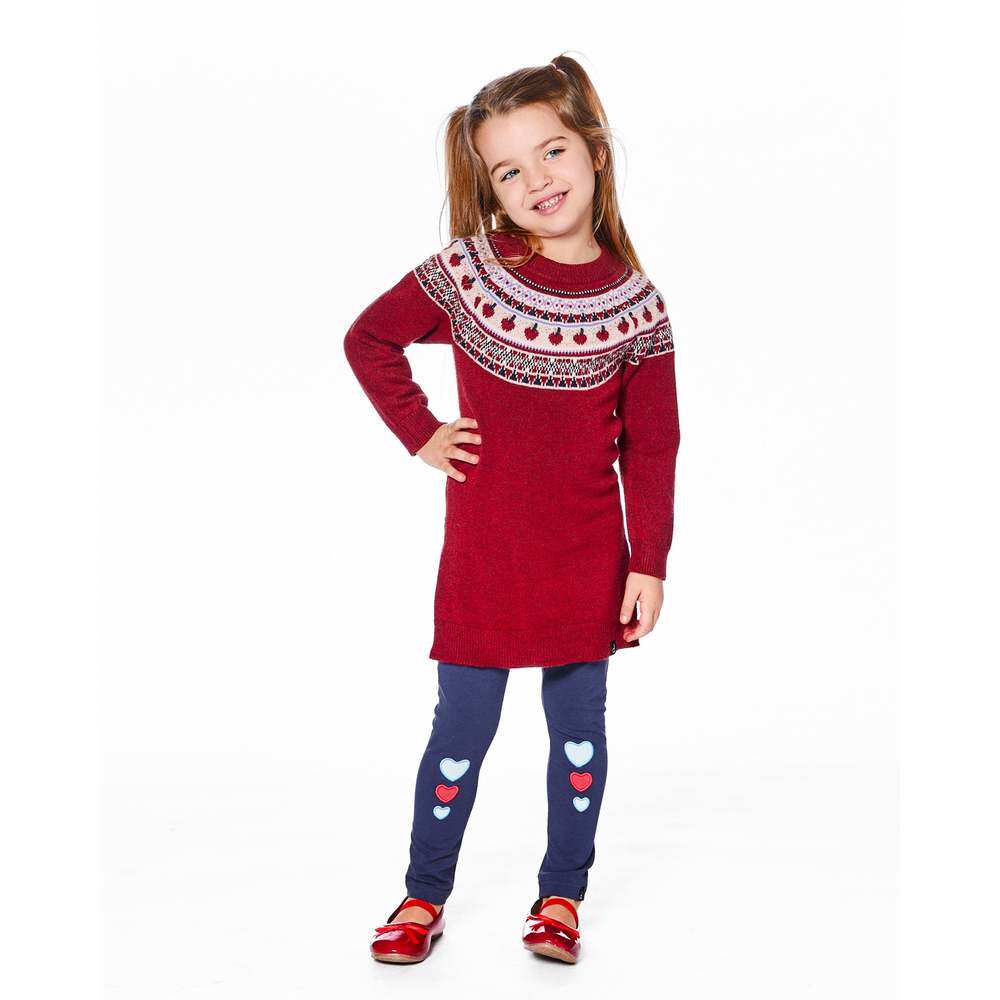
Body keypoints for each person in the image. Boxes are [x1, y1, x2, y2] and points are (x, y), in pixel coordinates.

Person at [343, 53, 681, 965]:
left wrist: (648, 561)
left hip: (587, 561)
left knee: (578, 737)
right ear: (489, 187)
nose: (538, 180)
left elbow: (653, 447)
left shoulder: (638, 307)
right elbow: (370, 338)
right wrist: (420, 432)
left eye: (553, 151)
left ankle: (562, 895)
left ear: (595, 152)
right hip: (485, 559)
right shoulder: (471, 272)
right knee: (460, 733)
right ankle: (423, 894)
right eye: (508, 170)